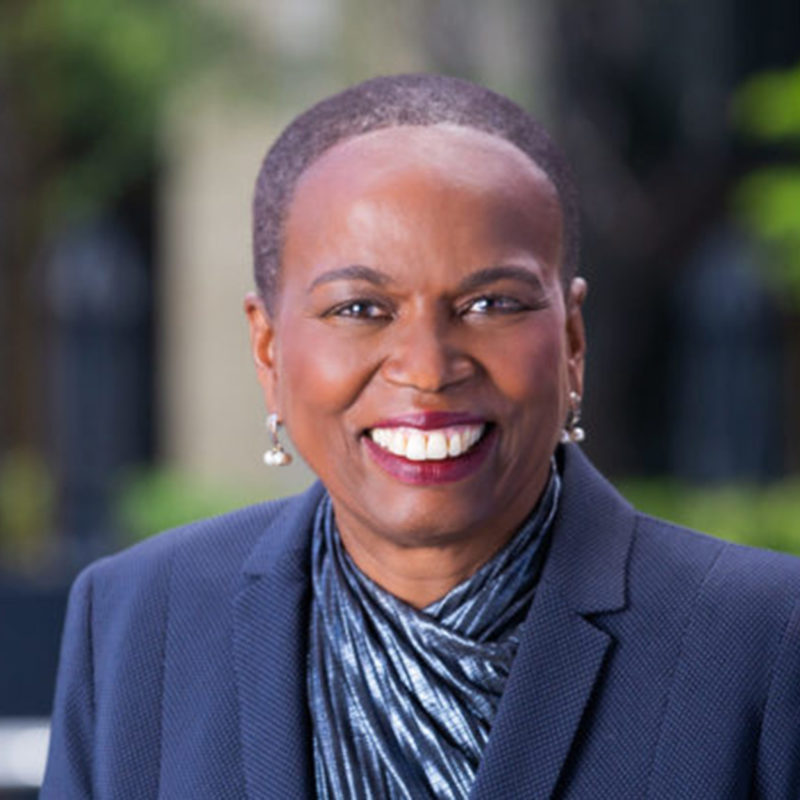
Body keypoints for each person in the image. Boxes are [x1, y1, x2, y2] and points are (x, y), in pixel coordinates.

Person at [42, 74, 799, 799]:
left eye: (491, 303)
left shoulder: (763, 640)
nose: (428, 369)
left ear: (571, 341)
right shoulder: (138, 622)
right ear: (269, 350)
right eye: (361, 309)